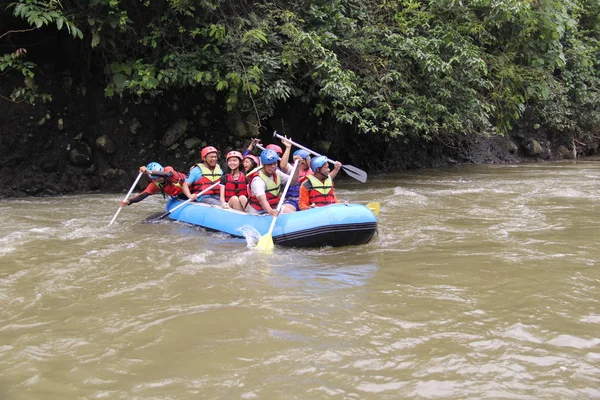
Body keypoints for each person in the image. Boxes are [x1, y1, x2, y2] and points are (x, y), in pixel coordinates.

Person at [245, 149, 301, 216]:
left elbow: (293, 182)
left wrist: (297, 167)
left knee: (292, 213)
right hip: (258, 211)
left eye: (274, 164)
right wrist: (270, 211)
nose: (273, 167)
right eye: (269, 165)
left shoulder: (277, 173)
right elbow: (262, 200)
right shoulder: (257, 180)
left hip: (274, 207)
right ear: (264, 165)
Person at [120, 162, 187, 207]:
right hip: (181, 196)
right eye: (157, 178)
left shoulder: (168, 170)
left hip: (192, 190)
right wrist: (129, 201)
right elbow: (143, 194)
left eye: (160, 176)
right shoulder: (155, 184)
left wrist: (149, 171)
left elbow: (168, 174)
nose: (160, 179)